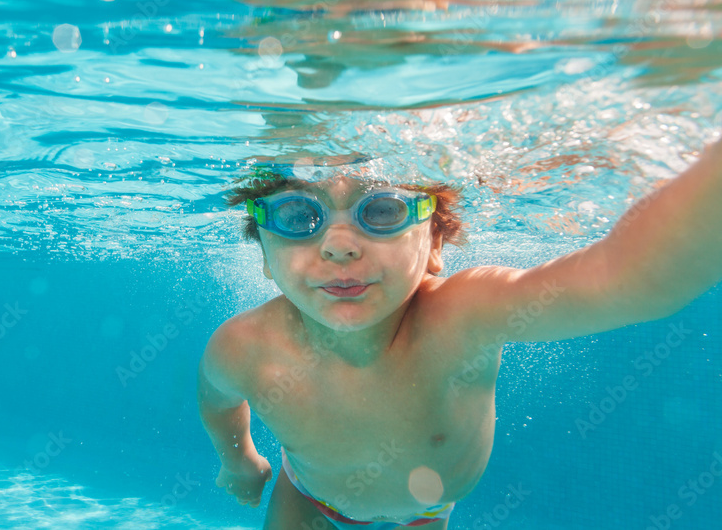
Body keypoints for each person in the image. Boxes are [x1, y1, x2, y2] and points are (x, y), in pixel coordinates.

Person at [197, 145, 722, 529]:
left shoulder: (465, 313)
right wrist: (238, 457)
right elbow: (217, 400)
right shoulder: (244, 346)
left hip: (426, 513)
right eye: (296, 215)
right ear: (264, 254)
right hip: (309, 497)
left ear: (435, 244)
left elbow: (624, 279)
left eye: (380, 211)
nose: (338, 246)